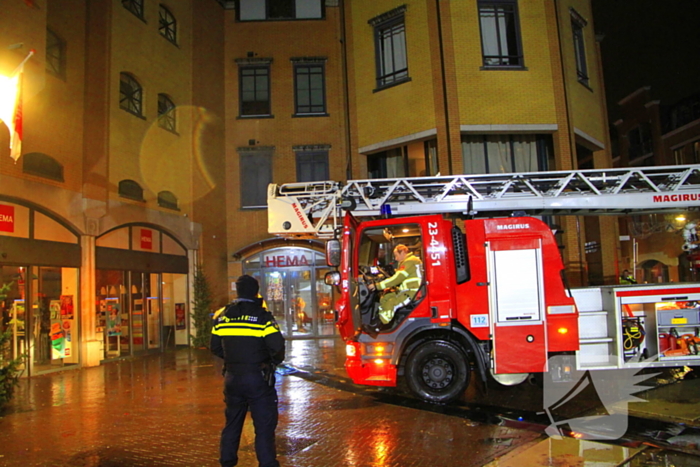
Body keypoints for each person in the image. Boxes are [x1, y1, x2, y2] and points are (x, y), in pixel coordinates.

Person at [211, 275, 286, 467]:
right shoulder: (262, 316)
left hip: (232, 378)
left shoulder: (224, 315)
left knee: (232, 423)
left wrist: (233, 360)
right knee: (264, 426)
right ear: (255, 291)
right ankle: (267, 463)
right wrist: (269, 362)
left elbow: (215, 346)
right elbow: (277, 347)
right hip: (257, 378)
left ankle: (227, 462)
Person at [370, 244, 423, 324]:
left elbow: (398, 278)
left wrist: (377, 286)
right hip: (409, 289)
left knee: (391, 302)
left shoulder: (409, 261)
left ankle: (380, 325)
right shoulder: (411, 260)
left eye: (396, 255)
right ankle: (379, 318)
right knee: (386, 296)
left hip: (412, 292)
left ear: (402, 252)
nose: (396, 258)